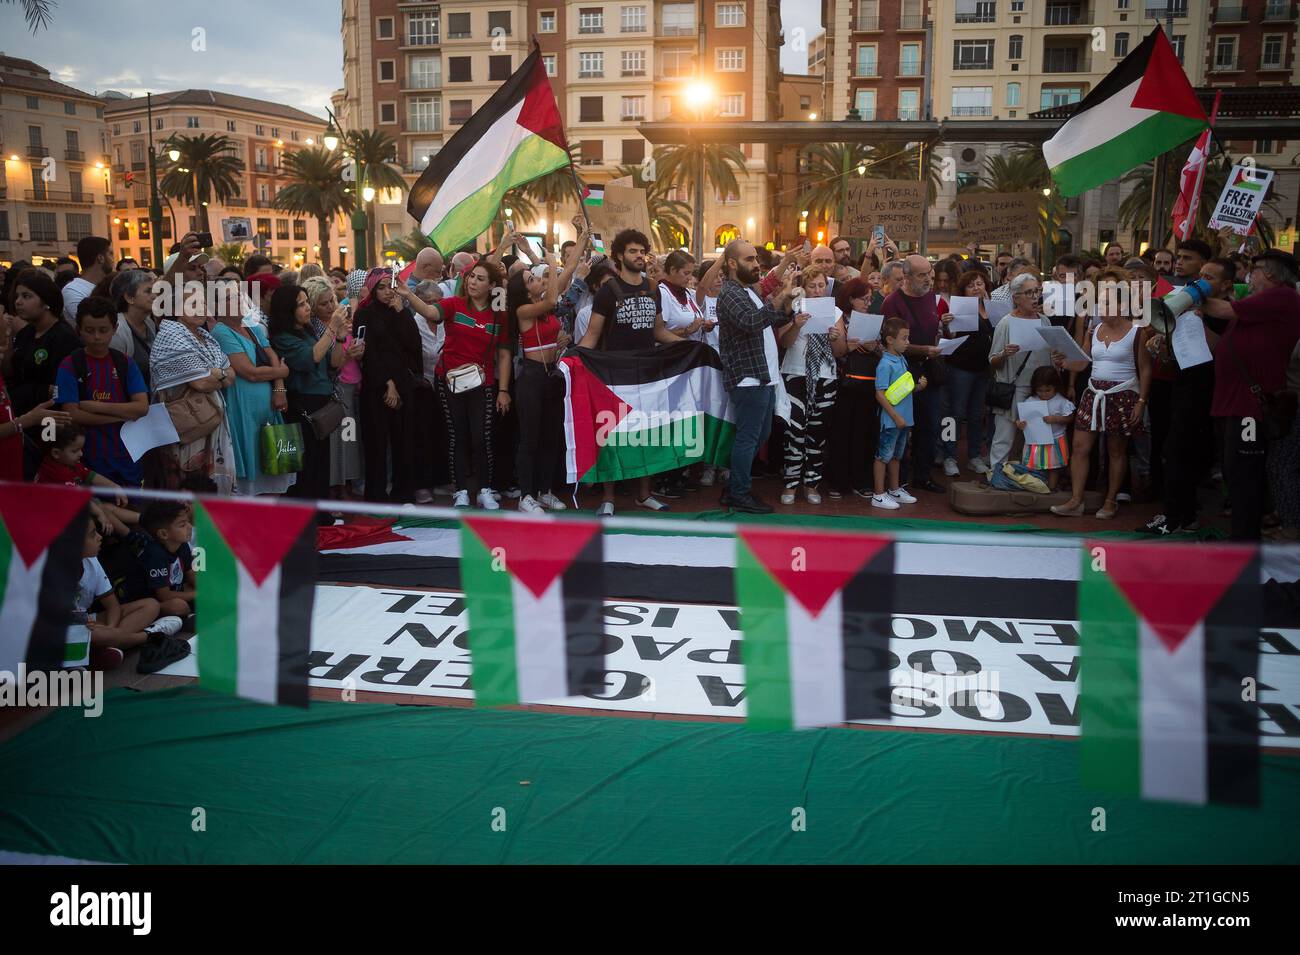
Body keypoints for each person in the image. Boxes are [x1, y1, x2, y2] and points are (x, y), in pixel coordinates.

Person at [579, 229, 684, 515]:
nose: (639, 256)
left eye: (642, 251)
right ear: (619, 256)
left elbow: (659, 331)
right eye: (633, 251)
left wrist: (688, 346)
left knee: (646, 434)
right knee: (612, 436)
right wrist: (572, 358)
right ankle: (609, 498)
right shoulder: (607, 291)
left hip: (646, 372)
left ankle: (644, 494)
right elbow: (592, 335)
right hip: (614, 373)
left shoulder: (653, 288)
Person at [1198, 249, 1300, 541]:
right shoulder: (1257, 305)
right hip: (1234, 402)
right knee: (1235, 469)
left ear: (1268, 273)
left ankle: (1244, 540)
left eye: (1252, 272)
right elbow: (1222, 346)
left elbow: (1223, 310)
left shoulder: (1282, 296)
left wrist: (1192, 296)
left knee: (1244, 472)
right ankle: (1243, 535)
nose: (1248, 277)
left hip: (1250, 407)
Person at [1139, 256, 1234, 535]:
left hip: (1206, 391)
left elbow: (1222, 350)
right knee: (1175, 451)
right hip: (1181, 386)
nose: (1201, 281)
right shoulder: (1185, 303)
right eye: (1201, 275)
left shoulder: (1228, 313)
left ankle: (1176, 516)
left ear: (1227, 284)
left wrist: (1200, 320)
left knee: (1182, 452)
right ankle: (1182, 512)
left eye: (1210, 277)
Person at [405, 259, 510, 509]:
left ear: (492, 285)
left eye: (480, 279)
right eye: (472, 276)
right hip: (449, 381)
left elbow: (504, 354)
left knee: (481, 438)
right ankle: (461, 491)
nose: (473, 282)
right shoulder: (454, 304)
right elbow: (431, 312)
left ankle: (484, 490)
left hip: (483, 384)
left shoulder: (499, 314)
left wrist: (503, 390)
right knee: (458, 437)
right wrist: (407, 293)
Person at [1052, 267, 1152, 520]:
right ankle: (1076, 500)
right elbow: (1083, 363)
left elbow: (1145, 369)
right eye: (1100, 303)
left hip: (1122, 393)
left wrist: (1141, 402)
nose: (1101, 308)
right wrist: (1063, 361)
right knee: (1080, 446)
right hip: (1093, 391)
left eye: (1107, 303)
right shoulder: (1093, 330)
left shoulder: (1137, 331)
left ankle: (1110, 501)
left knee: (1116, 450)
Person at [715, 238, 799, 514]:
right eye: (749, 259)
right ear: (731, 263)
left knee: (759, 433)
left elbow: (770, 319)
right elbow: (752, 323)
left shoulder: (747, 291)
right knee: (749, 436)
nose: (756, 264)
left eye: (755, 258)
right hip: (747, 378)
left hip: (762, 376)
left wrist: (785, 299)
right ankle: (739, 492)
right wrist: (780, 296)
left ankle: (736, 485)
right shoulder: (730, 293)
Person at [503, 250, 575, 513]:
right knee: (530, 438)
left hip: (551, 375)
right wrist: (553, 263)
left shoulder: (544, 304)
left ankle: (545, 491)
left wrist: (582, 239)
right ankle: (526, 496)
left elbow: (567, 276)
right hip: (531, 377)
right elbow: (554, 296)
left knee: (550, 437)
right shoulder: (523, 310)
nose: (536, 279)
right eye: (530, 279)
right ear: (524, 289)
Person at [269, 283, 353, 506]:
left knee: (321, 463)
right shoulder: (282, 337)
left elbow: (332, 363)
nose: (308, 308)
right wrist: (332, 329)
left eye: (307, 302)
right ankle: (308, 518)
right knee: (308, 465)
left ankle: (321, 515)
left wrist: (342, 339)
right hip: (303, 406)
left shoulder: (307, 331)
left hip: (321, 403)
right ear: (287, 310)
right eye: (301, 304)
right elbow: (311, 359)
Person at [211, 280, 296, 497]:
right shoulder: (221, 332)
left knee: (273, 465)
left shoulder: (252, 326)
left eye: (238, 295)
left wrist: (279, 389)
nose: (239, 299)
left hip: (268, 409)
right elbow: (248, 372)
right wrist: (282, 373)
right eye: (230, 298)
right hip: (242, 410)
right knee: (251, 469)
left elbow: (272, 356)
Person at [54, 296, 149, 487]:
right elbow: (72, 414)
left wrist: (96, 406)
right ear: (79, 330)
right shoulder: (70, 365)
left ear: (114, 329)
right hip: (87, 457)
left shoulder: (124, 363)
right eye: (89, 331)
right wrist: (123, 414)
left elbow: (141, 408)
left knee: (133, 508)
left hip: (127, 456)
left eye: (103, 330)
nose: (97, 337)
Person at [73, 518, 185, 673]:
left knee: (150, 605)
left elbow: (113, 606)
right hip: (62, 630)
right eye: (93, 534)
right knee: (94, 635)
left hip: (88, 622)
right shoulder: (52, 571)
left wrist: (111, 629)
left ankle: (108, 646)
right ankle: (151, 635)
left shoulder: (91, 561)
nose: (100, 537)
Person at [777, 266, 848, 505]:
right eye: (812, 286)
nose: (817, 290)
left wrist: (835, 339)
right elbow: (784, 343)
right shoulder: (792, 308)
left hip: (825, 377)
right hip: (794, 374)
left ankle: (812, 484)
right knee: (794, 432)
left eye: (821, 286)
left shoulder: (835, 311)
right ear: (804, 288)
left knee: (817, 433)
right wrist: (796, 325)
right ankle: (790, 484)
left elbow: (841, 352)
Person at [881, 254, 949, 493]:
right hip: (903, 370)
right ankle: (900, 478)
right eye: (922, 274)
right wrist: (922, 349)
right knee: (903, 425)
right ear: (906, 277)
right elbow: (890, 341)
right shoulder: (892, 302)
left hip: (930, 368)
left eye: (929, 272)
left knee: (929, 424)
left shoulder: (932, 298)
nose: (929, 279)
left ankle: (923, 475)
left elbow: (933, 329)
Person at [5, 269, 82, 475]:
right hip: (23, 422)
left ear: (46, 301)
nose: (18, 302)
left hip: (50, 425)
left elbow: (61, 390)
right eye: (17, 296)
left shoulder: (64, 339)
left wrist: (39, 391)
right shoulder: (25, 334)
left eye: (27, 296)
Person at [303, 276, 365, 500]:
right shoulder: (316, 328)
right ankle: (334, 488)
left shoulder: (343, 318)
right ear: (312, 306)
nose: (330, 306)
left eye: (332, 300)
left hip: (350, 388)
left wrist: (356, 351)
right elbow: (332, 362)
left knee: (349, 440)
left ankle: (346, 483)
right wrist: (345, 351)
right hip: (333, 392)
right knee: (335, 442)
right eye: (324, 303)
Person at [988, 272, 1054, 473]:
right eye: (1029, 293)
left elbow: (1050, 356)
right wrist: (1004, 354)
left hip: (1039, 390)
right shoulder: (1006, 323)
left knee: (1036, 436)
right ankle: (997, 475)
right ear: (1016, 298)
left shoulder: (1045, 321)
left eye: (1037, 291)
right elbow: (992, 361)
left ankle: (1033, 477)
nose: (1035, 297)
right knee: (1004, 436)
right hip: (1013, 388)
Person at [826, 277, 882, 499]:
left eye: (870, 299)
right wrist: (851, 345)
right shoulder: (841, 318)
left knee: (864, 432)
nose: (868, 303)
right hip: (844, 381)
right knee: (841, 432)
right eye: (864, 299)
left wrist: (875, 347)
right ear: (851, 299)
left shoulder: (871, 320)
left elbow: (882, 351)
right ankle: (838, 480)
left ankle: (861, 479)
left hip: (867, 382)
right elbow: (837, 351)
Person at [36, 423, 138, 535]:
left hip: (74, 507)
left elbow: (90, 475)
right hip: (57, 518)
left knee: (107, 507)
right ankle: (129, 536)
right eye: (75, 451)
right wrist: (99, 513)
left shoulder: (66, 462)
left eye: (81, 449)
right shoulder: (56, 473)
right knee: (102, 508)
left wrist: (115, 487)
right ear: (56, 453)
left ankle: (142, 519)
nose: (81, 454)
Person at [940, 269, 994, 476]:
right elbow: (951, 335)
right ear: (963, 290)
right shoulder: (959, 308)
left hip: (983, 369)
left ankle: (973, 456)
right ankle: (949, 455)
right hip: (959, 368)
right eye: (971, 285)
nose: (976, 288)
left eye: (979, 284)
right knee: (954, 414)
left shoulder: (991, 308)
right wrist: (946, 324)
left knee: (976, 415)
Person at [872, 317, 926, 510]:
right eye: (904, 338)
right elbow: (880, 393)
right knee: (883, 455)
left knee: (897, 455)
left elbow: (901, 389)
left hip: (904, 420)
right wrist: (895, 416)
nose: (907, 342)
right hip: (892, 420)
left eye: (908, 338)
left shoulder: (901, 359)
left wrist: (917, 387)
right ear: (889, 339)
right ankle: (878, 494)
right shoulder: (885, 364)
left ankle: (894, 489)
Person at [119, 501, 197, 623]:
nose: (190, 527)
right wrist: (200, 595)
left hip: (173, 592)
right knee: (178, 606)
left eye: (188, 522)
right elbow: (164, 595)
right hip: (147, 603)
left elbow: (191, 573)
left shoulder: (182, 545)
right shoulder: (154, 554)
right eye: (182, 525)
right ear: (163, 534)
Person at [1015, 366, 1075, 491]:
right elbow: (1021, 419)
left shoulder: (1061, 401)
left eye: (1047, 390)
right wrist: (1019, 424)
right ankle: (1035, 487)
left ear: (1055, 387)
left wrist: (1056, 419)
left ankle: (1051, 489)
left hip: (1056, 439)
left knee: (1053, 467)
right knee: (1033, 465)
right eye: (1040, 390)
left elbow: (1070, 418)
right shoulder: (1031, 401)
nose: (1043, 394)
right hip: (1035, 440)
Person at [108, 269, 158, 390]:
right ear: (129, 297)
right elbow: (114, 378)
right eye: (148, 291)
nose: (155, 296)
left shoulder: (149, 322)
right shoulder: (118, 331)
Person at [62, 236, 113, 324]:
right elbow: (92, 325)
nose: (113, 259)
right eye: (110, 254)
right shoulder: (72, 290)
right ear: (100, 258)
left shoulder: (111, 285)